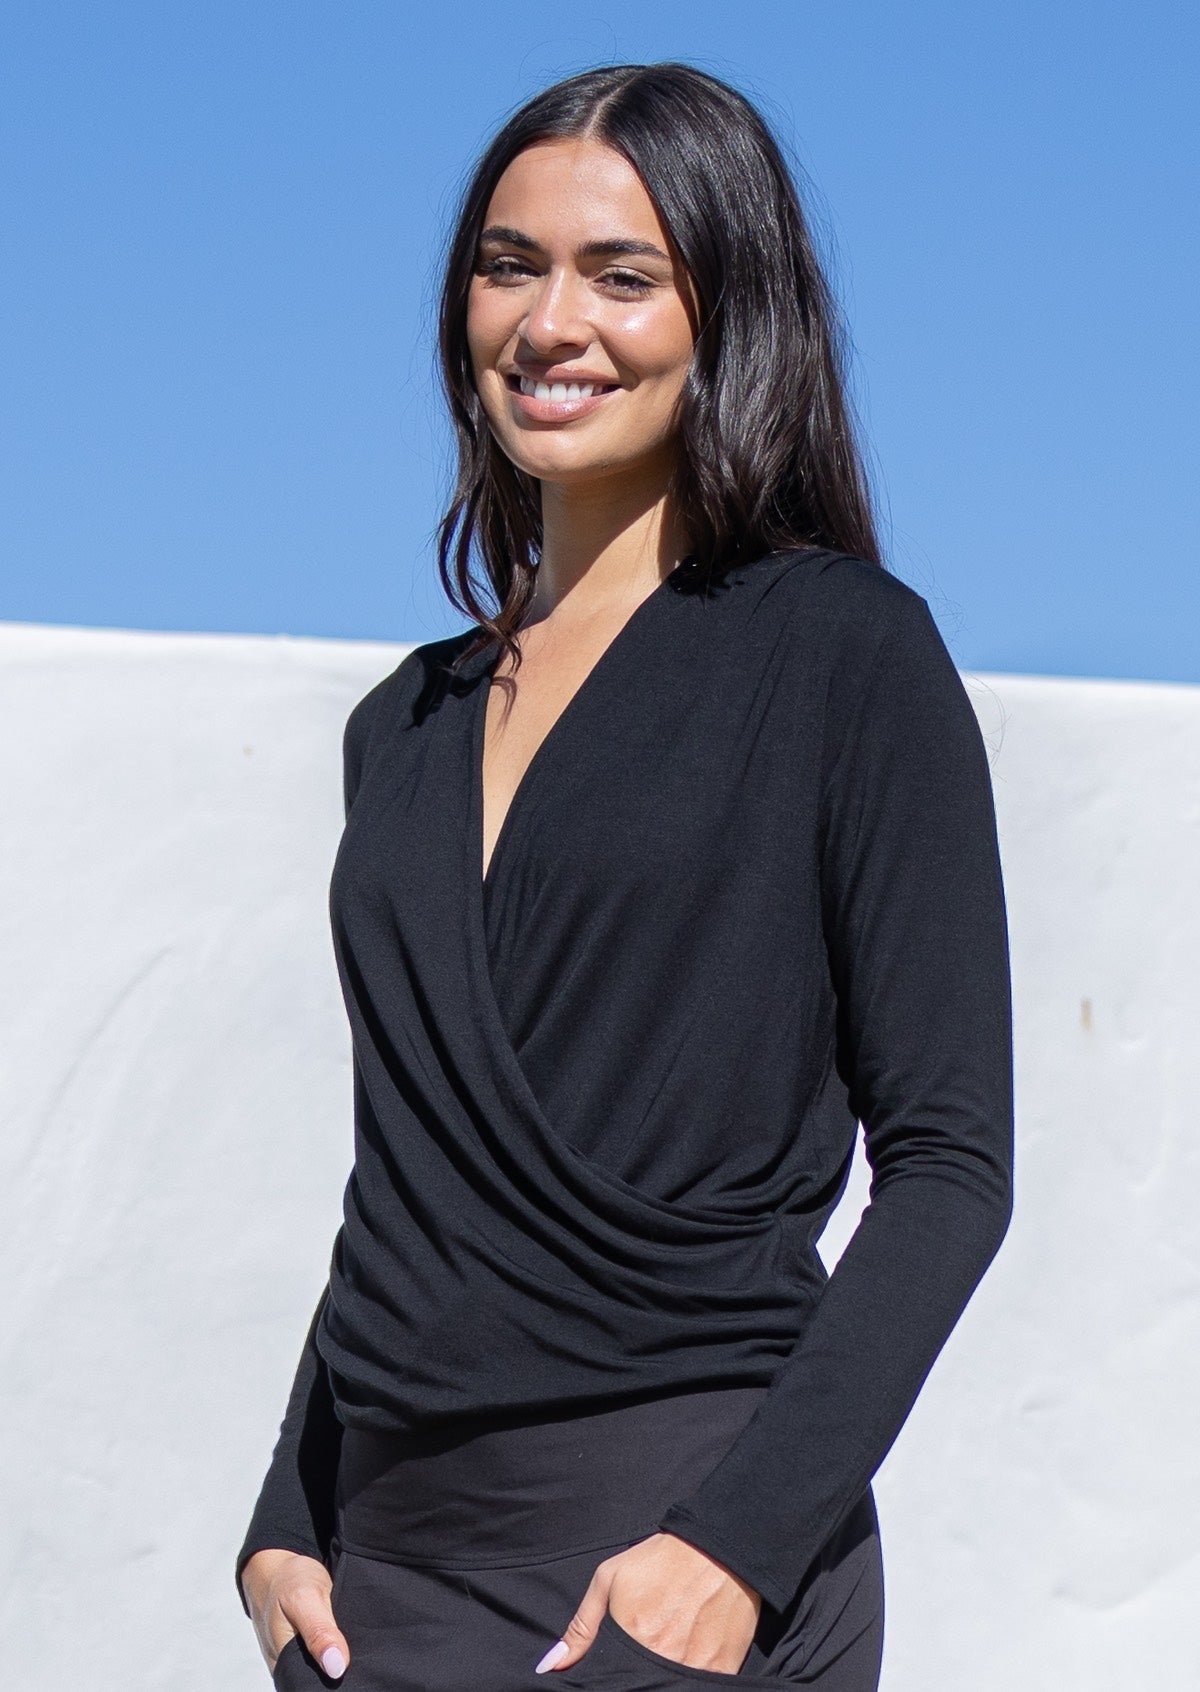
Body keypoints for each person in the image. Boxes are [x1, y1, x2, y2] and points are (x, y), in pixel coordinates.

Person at [237, 61, 1014, 1692]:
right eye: (510, 263)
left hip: (664, 1554)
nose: (550, 320)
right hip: (376, 1575)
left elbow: (949, 1166)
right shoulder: (406, 722)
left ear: (731, 310)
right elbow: (417, 1163)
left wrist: (735, 1548)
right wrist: (286, 1506)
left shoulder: (842, 653)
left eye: (623, 273)